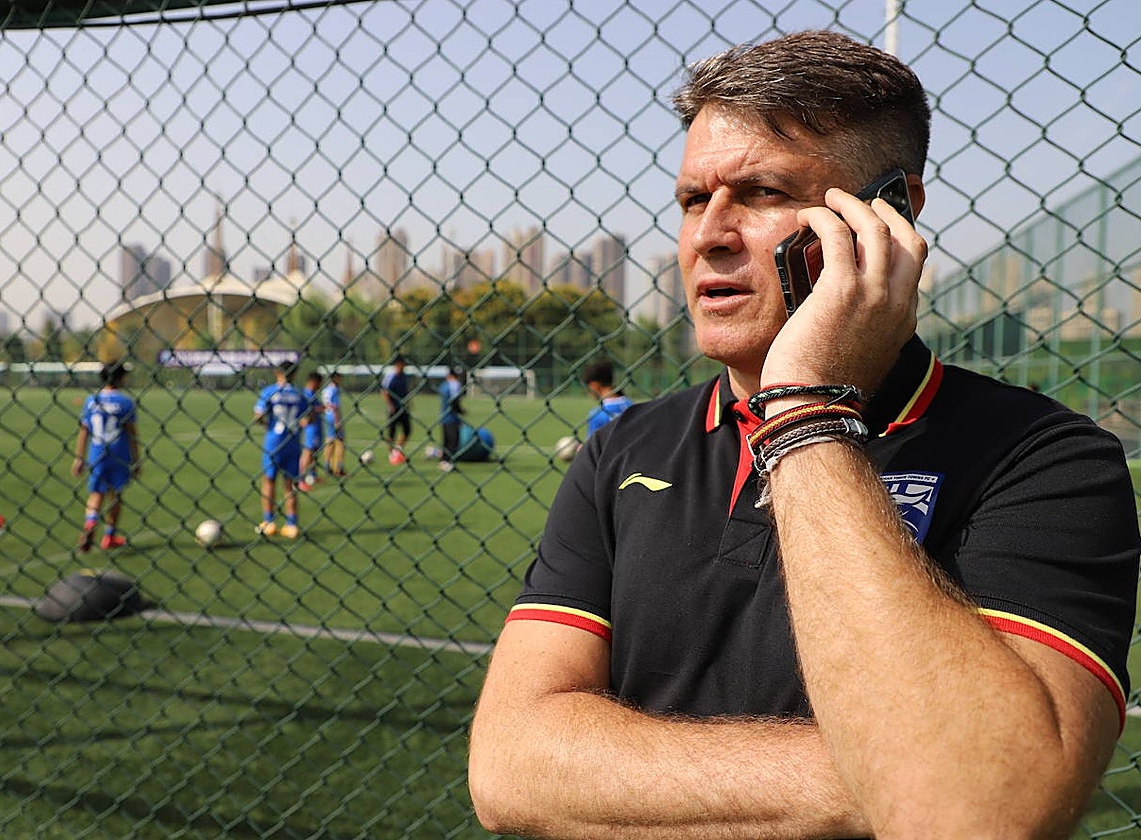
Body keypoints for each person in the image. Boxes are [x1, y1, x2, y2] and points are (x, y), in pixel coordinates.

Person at [468, 30, 1140, 839]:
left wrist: (805, 410)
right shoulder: (625, 449)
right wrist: (891, 769)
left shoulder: (1045, 460)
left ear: (889, 214)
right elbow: (509, 765)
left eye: (762, 192)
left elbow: (976, 812)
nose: (709, 234)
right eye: (693, 200)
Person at [72, 360, 140, 553]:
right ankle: (109, 536)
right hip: (119, 454)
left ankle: (91, 522)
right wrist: (136, 460)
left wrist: (79, 457)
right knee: (115, 495)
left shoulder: (91, 400)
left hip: (96, 454)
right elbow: (132, 434)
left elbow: (84, 430)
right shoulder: (125, 402)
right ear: (120, 378)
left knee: (96, 494)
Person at [253, 360, 310, 539]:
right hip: (293, 442)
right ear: (294, 374)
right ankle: (292, 524)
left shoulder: (269, 392)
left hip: (273, 441)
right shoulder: (300, 393)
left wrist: (266, 424)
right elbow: (308, 418)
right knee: (290, 484)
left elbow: (258, 415)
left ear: (278, 373)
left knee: (269, 480)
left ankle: (269, 522)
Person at [580, 358, 633, 436]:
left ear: (594, 385)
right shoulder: (631, 405)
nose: (588, 393)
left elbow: (593, 443)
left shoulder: (596, 415)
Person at [380, 355, 411, 465]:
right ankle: (392, 454)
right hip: (394, 408)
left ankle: (397, 450)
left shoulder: (404, 376)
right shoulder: (391, 376)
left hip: (403, 407)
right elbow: (384, 391)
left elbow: (406, 390)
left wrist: (408, 401)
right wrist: (390, 405)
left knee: (407, 430)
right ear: (398, 364)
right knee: (391, 433)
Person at [297, 370, 324, 492]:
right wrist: (320, 408)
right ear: (313, 382)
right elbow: (308, 410)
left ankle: (312, 475)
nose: (320, 386)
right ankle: (300, 479)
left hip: (316, 426)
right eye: (319, 383)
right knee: (308, 452)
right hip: (310, 428)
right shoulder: (306, 394)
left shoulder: (313, 394)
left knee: (314, 452)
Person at [437, 365, 465, 472]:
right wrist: (461, 411)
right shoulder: (455, 384)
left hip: (443, 415)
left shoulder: (443, 385)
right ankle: (447, 462)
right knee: (453, 441)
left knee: (446, 440)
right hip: (452, 417)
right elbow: (454, 401)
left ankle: (443, 461)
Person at [321, 370, 347, 477]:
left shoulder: (326, 389)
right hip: (334, 417)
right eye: (340, 378)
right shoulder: (335, 390)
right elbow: (335, 407)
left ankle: (327, 465)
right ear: (335, 378)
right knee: (340, 441)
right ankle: (339, 467)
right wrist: (337, 421)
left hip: (327, 416)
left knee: (329, 441)